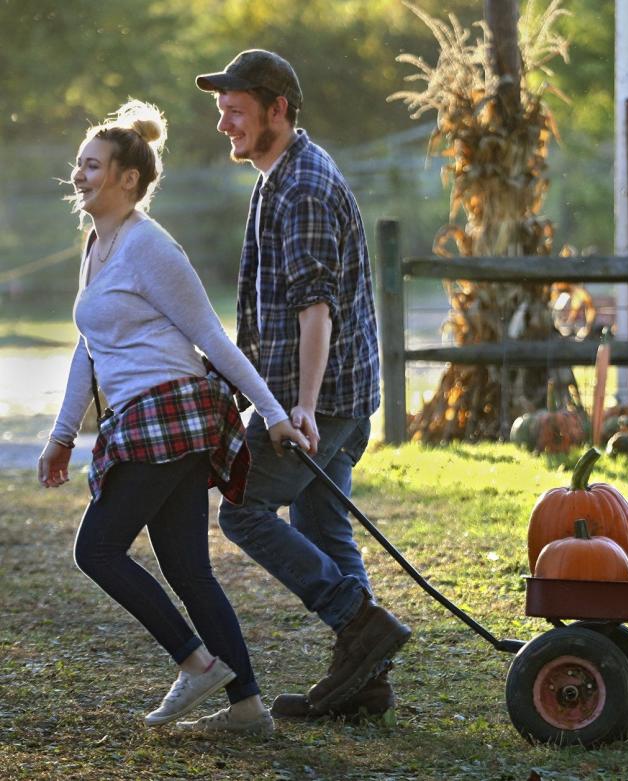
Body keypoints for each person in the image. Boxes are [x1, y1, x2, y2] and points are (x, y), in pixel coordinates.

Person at [38, 100, 310, 735]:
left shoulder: (149, 247)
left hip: (171, 414)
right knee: (188, 568)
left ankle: (195, 662)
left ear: (128, 178)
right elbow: (91, 346)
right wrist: (59, 435)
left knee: (97, 549)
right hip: (145, 418)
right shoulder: (97, 245)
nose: (79, 176)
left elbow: (213, 341)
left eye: (93, 166)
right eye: (78, 165)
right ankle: (246, 709)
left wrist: (271, 415)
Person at [195, 49, 409, 720]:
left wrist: (304, 408)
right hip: (324, 395)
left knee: (243, 509)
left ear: (278, 110)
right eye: (222, 111)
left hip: (322, 399)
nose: (225, 124)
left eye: (236, 111)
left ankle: (357, 620)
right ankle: (365, 679)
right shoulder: (276, 176)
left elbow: (317, 308)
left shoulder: (305, 186)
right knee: (322, 523)